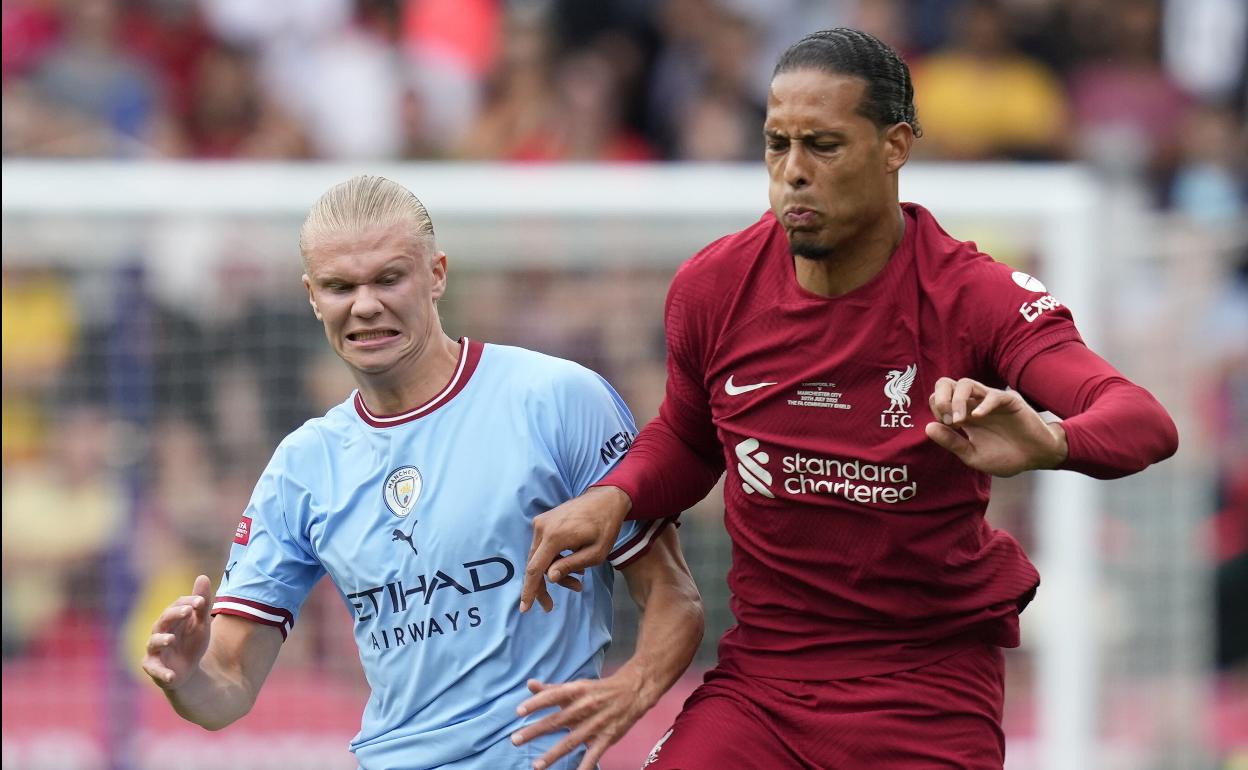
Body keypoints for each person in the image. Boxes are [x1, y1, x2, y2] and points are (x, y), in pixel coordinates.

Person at [519, 28, 1179, 770]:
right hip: (766, 681)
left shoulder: (973, 297)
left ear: (894, 145)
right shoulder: (713, 286)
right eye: (778, 145)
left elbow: (1143, 422)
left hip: (926, 687)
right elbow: (689, 436)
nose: (793, 173)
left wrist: (1053, 442)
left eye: (823, 145)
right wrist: (618, 496)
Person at [141, 175, 704, 770]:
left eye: (388, 278)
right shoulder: (303, 467)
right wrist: (186, 677)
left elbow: (675, 593)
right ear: (312, 296)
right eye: (340, 286)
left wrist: (631, 687)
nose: (364, 304)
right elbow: (228, 684)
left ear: (436, 274)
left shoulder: (556, 400)